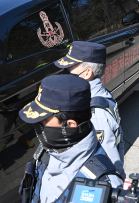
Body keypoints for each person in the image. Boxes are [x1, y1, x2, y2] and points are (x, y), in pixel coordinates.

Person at [18, 75, 123, 203]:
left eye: (44, 120)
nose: (37, 125)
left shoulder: (105, 186)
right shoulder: (48, 150)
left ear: (70, 125)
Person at [54, 41, 125, 178]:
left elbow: (108, 165)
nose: (65, 75)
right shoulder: (99, 94)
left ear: (87, 73)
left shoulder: (95, 114)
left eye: (69, 71)